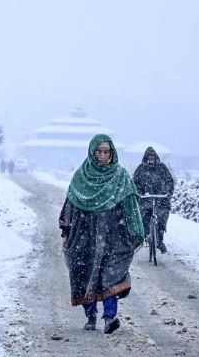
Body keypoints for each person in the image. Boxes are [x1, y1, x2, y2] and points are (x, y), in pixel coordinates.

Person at [59, 134, 144, 333]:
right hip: (84, 234)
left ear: (112, 153)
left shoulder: (120, 176)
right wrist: (66, 231)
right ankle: (90, 315)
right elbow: (70, 203)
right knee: (83, 272)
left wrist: (134, 229)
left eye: (106, 152)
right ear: (92, 152)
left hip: (114, 235)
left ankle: (109, 317)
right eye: (98, 152)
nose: (102, 156)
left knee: (111, 274)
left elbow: (130, 204)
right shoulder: (81, 177)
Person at [133, 146, 175, 254]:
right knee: (143, 215)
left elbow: (169, 181)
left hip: (161, 199)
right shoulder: (140, 169)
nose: (150, 159)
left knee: (162, 217)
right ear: (145, 158)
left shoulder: (162, 168)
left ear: (155, 157)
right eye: (149, 158)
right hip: (146, 199)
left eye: (152, 157)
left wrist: (168, 193)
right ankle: (147, 234)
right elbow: (134, 183)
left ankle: (160, 240)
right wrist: (139, 193)